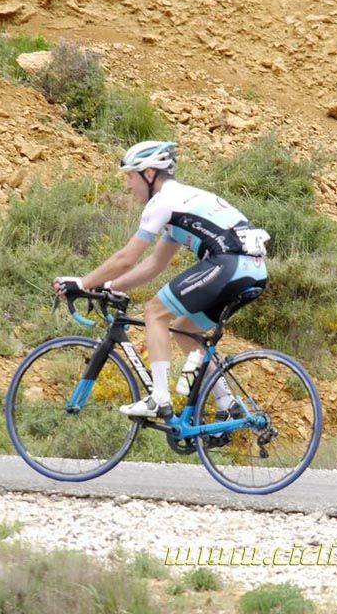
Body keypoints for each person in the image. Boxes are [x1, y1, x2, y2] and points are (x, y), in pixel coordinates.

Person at [53, 140, 269, 420]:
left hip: (230, 263)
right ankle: (227, 404)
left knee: (155, 311)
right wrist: (108, 287)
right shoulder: (180, 204)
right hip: (251, 270)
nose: (128, 186)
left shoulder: (162, 202)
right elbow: (155, 264)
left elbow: (126, 259)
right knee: (182, 329)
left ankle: (159, 399)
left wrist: (82, 283)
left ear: (150, 174)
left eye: (131, 177)